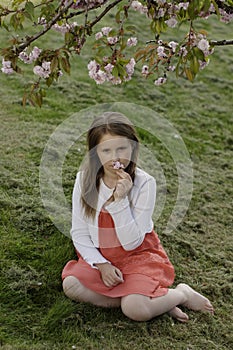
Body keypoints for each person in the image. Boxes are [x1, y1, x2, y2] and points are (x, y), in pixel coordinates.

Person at [62, 112, 214, 322]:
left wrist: (120, 201)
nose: (115, 157)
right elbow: (79, 231)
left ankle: (181, 294)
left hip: (136, 254)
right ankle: (158, 300)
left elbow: (132, 242)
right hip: (102, 255)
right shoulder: (84, 181)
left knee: (135, 310)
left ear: (132, 148)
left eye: (122, 149)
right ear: (95, 153)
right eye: (106, 150)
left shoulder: (145, 184)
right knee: (71, 285)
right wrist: (101, 264)